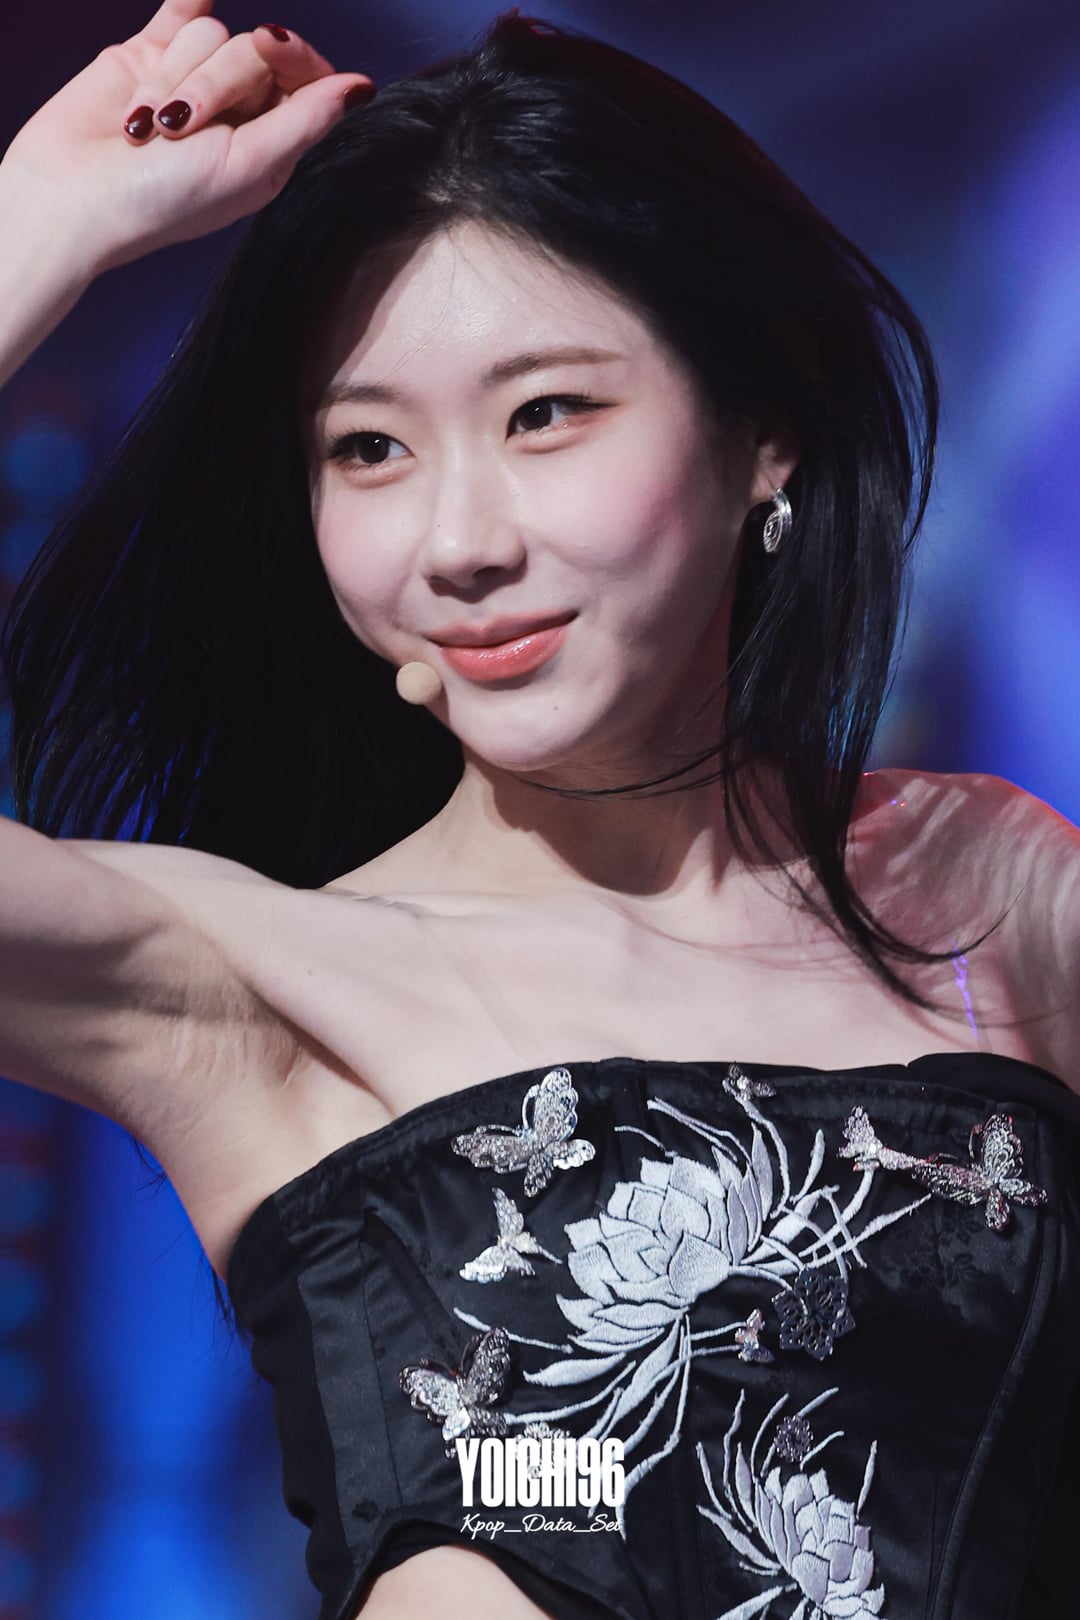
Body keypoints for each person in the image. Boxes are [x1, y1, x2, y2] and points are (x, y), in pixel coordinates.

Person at [1, 2, 1078, 1616]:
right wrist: (40, 221)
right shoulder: (259, 984)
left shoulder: (991, 892)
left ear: (765, 430)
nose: (459, 542)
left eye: (546, 414)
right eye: (369, 448)